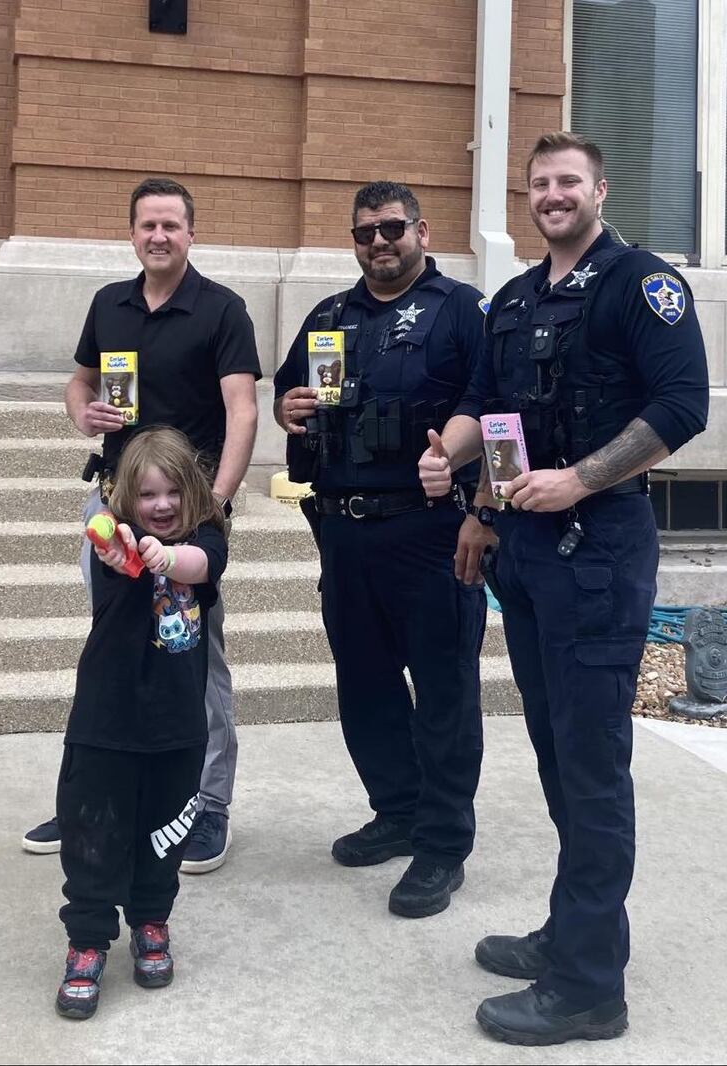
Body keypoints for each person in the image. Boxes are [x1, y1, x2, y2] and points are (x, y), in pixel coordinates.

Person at [419, 132, 709, 1044]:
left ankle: (588, 989)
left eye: (568, 182)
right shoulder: (514, 298)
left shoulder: (643, 285)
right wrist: (458, 471)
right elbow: (487, 410)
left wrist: (579, 478)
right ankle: (576, 933)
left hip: (600, 550)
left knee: (590, 772)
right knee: (556, 757)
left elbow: (681, 406)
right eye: (540, 183)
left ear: (598, 189)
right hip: (528, 554)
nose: (552, 195)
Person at [22, 177, 261, 873]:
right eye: (147, 225)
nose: (159, 236)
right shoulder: (109, 304)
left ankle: (208, 807)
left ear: (192, 234)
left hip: (183, 515)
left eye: (172, 226)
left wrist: (210, 507)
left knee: (196, 661)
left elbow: (242, 411)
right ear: (132, 234)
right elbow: (79, 382)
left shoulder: (221, 310)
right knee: (110, 654)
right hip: (110, 514)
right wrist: (82, 414)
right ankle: (91, 803)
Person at [274, 181, 487, 919]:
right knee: (364, 685)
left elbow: (493, 402)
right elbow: (287, 393)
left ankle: (442, 844)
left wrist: (466, 478)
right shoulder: (330, 317)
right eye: (365, 233)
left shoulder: (461, 310)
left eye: (392, 228)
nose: (379, 242)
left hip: (429, 534)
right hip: (343, 531)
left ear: (421, 230)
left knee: (444, 689)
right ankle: (396, 811)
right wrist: (288, 407)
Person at [55, 427, 228, 1019]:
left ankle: (152, 919)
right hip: (105, 720)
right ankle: (86, 940)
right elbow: (117, 556)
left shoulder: (207, 539)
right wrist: (121, 548)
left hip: (176, 728)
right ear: (127, 497)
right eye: (149, 494)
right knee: (93, 834)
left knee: (164, 834)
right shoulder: (115, 543)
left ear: (194, 494)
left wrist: (166, 557)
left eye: (174, 492)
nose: (162, 505)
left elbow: (199, 564)